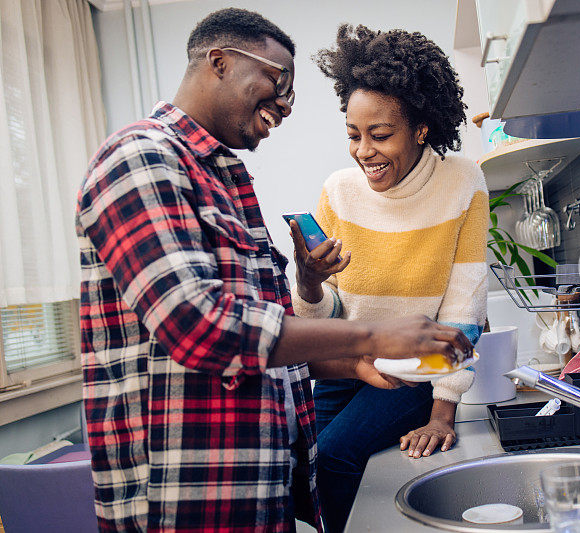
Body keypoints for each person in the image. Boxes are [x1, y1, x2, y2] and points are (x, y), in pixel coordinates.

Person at [74, 9, 471, 532]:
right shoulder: (140, 158)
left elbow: (264, 341)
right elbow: (199, 327)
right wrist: (369, 335)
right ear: (219, 61)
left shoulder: (224, 182)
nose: (285, 104)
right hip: (181, 501)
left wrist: (346, 364)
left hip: (253, 492)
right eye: (278, 80)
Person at [288, 24, 488, 533]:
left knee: (333, 457)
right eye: (353, 135)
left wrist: (443, 411)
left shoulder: (461, 181)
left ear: (421, 128)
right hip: (342, 366)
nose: (363, 152)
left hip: (412, 368)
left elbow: (463, 307)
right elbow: (327, 312)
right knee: (298, 473)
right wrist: (309, 283)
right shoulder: (338, 190)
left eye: (380, 135)